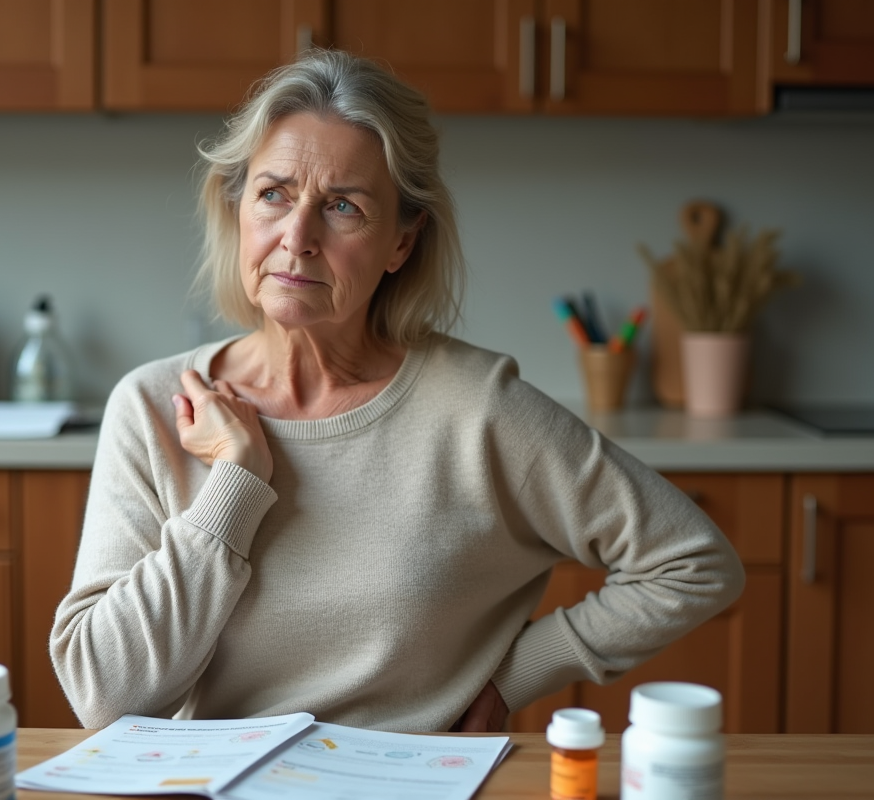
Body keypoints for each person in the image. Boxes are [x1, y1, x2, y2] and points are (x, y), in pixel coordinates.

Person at [50, 49, 744, 734]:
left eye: (343, 207)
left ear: (401, 244)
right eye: (274, 195)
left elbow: (692, 562)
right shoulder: (153, 407)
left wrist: (517, 673)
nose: (297, 237)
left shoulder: (477, 409)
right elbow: (104, 695)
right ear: (238, 213)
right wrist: (234, 484)